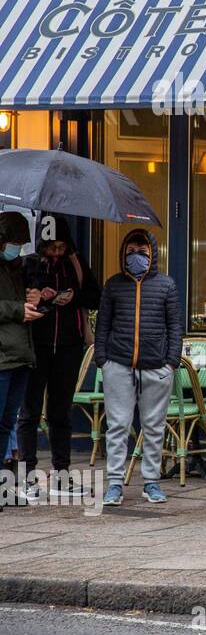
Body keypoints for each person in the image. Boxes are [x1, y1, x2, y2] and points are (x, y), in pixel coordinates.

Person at [94, 229, 181, 506]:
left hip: (156, 367)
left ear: (152, 255)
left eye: (142, 252)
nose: (136, 257)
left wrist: (170, 362)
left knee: (154, 427)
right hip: (118, 364)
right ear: (122, 253)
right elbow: (103, 324)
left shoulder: (166, 285)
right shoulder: (113, 285)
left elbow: (175, 326)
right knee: (117, 426)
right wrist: (103, 360)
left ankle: (151, 482)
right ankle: (115, 484)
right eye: (131, 252)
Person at [17, 215, 100, 499]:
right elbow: (17, 299)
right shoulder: (27, 264)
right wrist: (37, 296)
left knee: (60, 412)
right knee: (29, 412)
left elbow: (95, 295)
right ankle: (26, 478)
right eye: (51, 247)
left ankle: (61, 476)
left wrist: (72, 296)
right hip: (35, 344)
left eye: (61, 247)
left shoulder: (75, 265)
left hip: (68, 345)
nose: (56, 252)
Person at [0, 212, 40, 510]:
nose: (18, 248)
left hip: (20, 354)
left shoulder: (17, 268)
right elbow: (10, 308)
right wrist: (17, 309)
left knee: (6, 424)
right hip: (3, 354)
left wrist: (34, 296)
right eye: (14, 242)